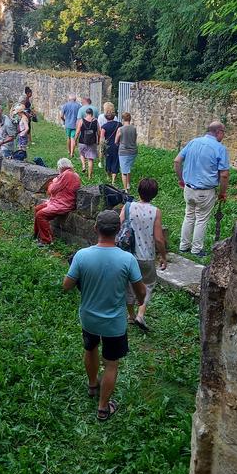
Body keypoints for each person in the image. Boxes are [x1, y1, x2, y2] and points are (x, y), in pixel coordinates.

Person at [63, 210, 146, 421]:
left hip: (89, 318)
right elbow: (141, 292)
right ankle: (102, 407)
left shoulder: (82, 255)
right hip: (114, 322)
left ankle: (92, 385)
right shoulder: (127, 259)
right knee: (111, 363)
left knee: (90, 349)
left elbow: (67, 285)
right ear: (118, 231)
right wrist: (139, 301)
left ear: (95, 229)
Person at [174, 121, 229, 257]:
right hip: (205, 191)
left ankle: (183, 245)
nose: (223, 136)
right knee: (201, 219)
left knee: (189, 216)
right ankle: (196, 249)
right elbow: (224, 174)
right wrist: (222, 193)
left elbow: (177, 161)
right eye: (223, 133)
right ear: (218, 132)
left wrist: (181, 179)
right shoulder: (219, 148)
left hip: (188, 188)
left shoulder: (193, 142)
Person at [120, 178, 167, 331]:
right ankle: (141, 314)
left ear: (138, 191)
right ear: (154, 194)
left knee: (128, 284)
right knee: (147, 284)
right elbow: (159, 239)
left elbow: (120, 227)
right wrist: (163, 256)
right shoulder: (155, 211)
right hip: (146, 256)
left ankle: (131, 315)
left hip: (127, 254)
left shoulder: (128, 207)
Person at [33, 158, 81, 246]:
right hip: (60, 201)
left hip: (63, 204)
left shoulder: (67, 175)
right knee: (37, 209)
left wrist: (52, 182)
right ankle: (37, 235)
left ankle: (46, 241)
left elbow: (52, 190)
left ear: (60, 167)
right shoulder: (72, 174)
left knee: (40, 215)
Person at [76, 107, 100, 180]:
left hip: (82, 141)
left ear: (86, 113)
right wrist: (98, 141)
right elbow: (99, 133)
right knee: (90, 159)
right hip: (92, 142)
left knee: (82, 154)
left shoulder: (81, 121)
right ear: (92, 113)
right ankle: (90, 176)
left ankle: (83, 165)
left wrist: (75, 140)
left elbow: (77, 132)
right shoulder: (96, 121)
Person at [116, 112, 138, 191]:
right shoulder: (134, 128)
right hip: (133, 151)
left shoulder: (120, 129)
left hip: (124, 152)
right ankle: (128, 184)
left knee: (124, 172)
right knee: (128, 168)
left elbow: (116, 141)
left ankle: (125, 190)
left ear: (123, 119)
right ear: (130, 119)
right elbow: (134, 139)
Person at [100, 112, 121, 186]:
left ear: (106, 118)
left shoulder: (104, 127)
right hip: (117, 145)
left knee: (108, 160)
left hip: (108, 147)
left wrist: (101, 148)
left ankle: (108, 176)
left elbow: (102, 138)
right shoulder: (119, 124)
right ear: (114, 117)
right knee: (116, 161)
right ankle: (113, 180)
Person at [59, 93, 82, 158]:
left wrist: (64, 120)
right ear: (75, 99)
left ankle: (69, 151)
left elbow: (61, 116)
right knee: (73, 139)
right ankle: (72, 153)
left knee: (68, 138)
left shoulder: (65, 105)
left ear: (69, 99)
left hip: (68, 124)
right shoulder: (79, 106)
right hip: (75, 125)